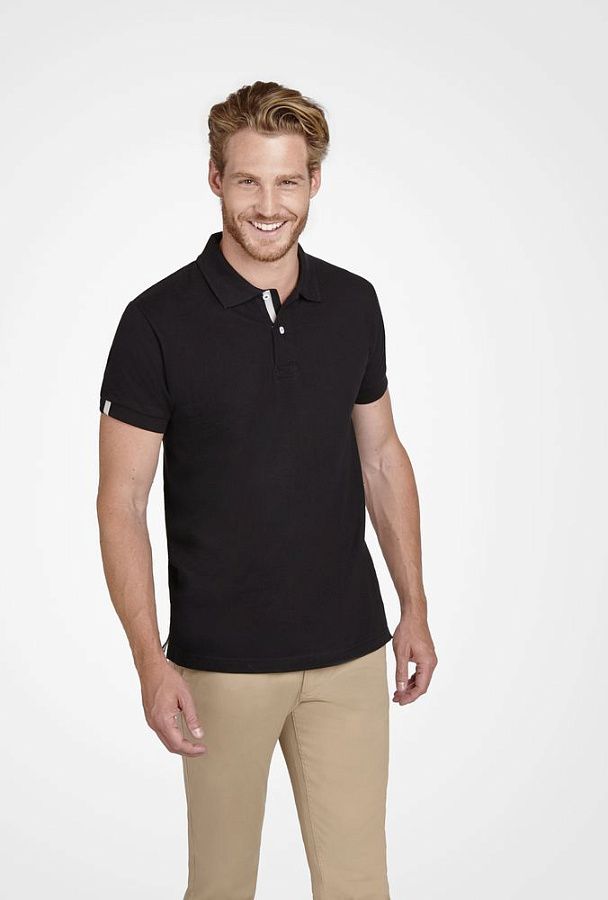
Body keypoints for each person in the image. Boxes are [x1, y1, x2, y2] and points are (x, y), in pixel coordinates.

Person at [96, 80, 437, 900]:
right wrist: (150, 662)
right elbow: (121, 501)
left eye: (288, 181)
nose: (269, 205)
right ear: (216, 178)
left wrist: (414, 606)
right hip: (220, 664)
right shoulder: (156, 321)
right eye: (248, 180)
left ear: (314, 181)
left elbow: (382, 456)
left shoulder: (352, 303)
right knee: (220, 887)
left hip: (349, 652)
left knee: (359, 884)